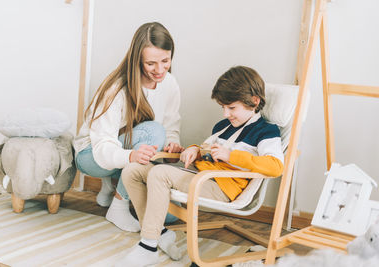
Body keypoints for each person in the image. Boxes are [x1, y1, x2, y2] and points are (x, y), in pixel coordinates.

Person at [116, 66, 285, 266]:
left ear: (254, 102)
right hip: (199, 176)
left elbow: (275, 166)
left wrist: (232, 156)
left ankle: (148, 246)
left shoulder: (266, 131)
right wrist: (194, 150)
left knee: (160, 173)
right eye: (223, 107)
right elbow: (207, 150)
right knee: (132, 171)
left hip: (221, 187)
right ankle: (159, 233)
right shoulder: (223, 127)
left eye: (231, 108)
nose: (225, 114)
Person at [73, 22, 184, 233]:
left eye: (165, 61)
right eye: (151, 63)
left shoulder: (170, 84)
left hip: (126, 152)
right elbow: (103, 143)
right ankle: (118, 205)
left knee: (169, 216)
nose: (159, 70)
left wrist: (172, 146)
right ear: (137, 60)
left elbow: (172, 125)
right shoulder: (116, 89)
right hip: (91, 154)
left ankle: (110, 185)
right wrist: (131, 156)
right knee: (154, 131)